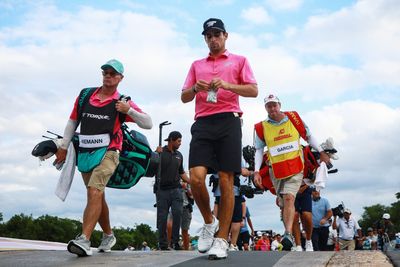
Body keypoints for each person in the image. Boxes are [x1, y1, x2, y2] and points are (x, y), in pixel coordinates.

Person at [55, 59, 152, 256]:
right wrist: (63, 147)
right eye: (105, 72)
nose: (108, 75)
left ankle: (84, 239)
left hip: (110, 151)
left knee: (94, 189)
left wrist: (129, 111)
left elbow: (148, 123)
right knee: (97, 195)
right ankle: (108, 235)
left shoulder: (123, 101)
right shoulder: (85, 95)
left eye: (112, 73)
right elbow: (73, 121)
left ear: (120, 78)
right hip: (86, 152)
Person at [180, 18, 258, 260]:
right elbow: (183, 97)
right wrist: (195, 89)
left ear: (226, 36)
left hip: (229, 120)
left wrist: (227, 84)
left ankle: (222, 239)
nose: (213, 39)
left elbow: (253, 90)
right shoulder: (196, 65)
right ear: (205, 38)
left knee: (227, 180)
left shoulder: (239, 60)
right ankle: (209, 221)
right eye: (209, 35)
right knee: (196, 178)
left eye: (217, 34)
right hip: (203, 122)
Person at [253, 94, 331, 251]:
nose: (272, 108)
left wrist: (321, 151)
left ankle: (290, 235)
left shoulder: (294, 119)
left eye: (274, 105)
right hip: (276, 171)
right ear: (265, 108)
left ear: (279, 105)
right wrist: (256, 171)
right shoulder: (261, 127)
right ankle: (296, 240)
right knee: (285, 206)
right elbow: (259, 150)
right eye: (269, 106)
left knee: (290, 199)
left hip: (295, 168)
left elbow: (309, 137)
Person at [155, 131, 190, 250]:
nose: (180, 143)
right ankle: (163, 244)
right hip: (162, 190)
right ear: (171, 140)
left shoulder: (179, 155)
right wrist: (154, 154)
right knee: (162, 218)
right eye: (178, 141)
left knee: (177, 214)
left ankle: (175, 243)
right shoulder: (160, 153)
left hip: (176, 190)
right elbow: (151, 166)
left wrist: (191, 182)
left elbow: (181, 172)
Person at [212, 173, 244, 251]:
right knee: (235, 220)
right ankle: (232, 244)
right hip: (232, 191)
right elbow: (244, 172)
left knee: (222, 219)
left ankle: (223, 242)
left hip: (220, 192)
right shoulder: (237, 160)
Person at [292, 184, 314, 251]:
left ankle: (308, 240)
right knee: (294, 216)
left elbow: (312, 178)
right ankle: (298, 245)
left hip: (305, 189)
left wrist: (304, 187)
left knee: (306, 215)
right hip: (291, 189)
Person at [181, 181, 194, 250]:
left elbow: (192, 195)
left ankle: (186, 249)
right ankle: (170, 245)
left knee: (184, 230)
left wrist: (185, 188)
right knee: (170, 227)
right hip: (173, 208)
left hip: (185, 208)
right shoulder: (171, 180)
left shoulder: (187, 182)